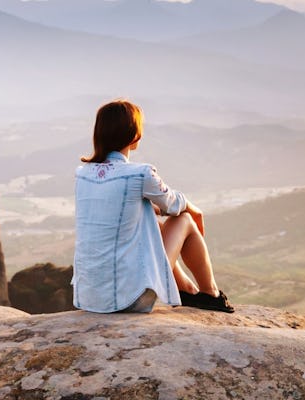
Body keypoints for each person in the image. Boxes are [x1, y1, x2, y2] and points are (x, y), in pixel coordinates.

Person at [72, 99, 234, 314]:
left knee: (151, 220)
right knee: (184, 220)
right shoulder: (141, 174)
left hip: (90, 298)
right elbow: (174, 204)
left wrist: (151, 209)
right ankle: (210, 294)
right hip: (129, 298)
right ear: (135, 135)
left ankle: (186, 289)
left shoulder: (83, 174)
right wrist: (195, 211)